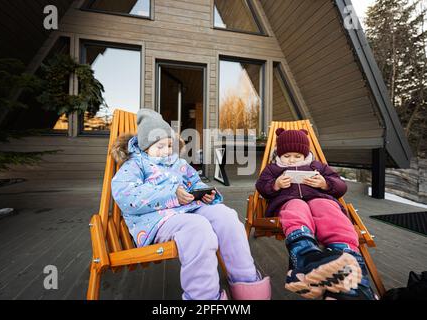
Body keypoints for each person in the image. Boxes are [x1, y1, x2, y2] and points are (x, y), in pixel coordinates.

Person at [111, 109, 271, 300]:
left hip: (187, 210)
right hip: (156, 220)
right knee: (198, 229)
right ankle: (204, 298)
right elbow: (125, 195)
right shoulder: (136, 165)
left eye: (170, 145)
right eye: (160, 146)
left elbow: (195, 183)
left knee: (226, 216)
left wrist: (204, 193)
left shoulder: (178, 163)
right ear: (146, 147)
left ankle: (248, 284)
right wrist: (171, 195)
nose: (166, 151)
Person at [255, 128, 377, 300]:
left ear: (305, 154)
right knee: (296, 207)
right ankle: (306, 256)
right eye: (287, 155)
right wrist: (275, 184)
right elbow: (261, 186)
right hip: (288, 201)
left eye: (297, 156)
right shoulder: (273, 169)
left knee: (327, 208)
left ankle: (346, 258)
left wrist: (325, 183)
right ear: (279, 154)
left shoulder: (317, 166)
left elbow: (340, 186)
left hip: (319, 198)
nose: (291, 159)